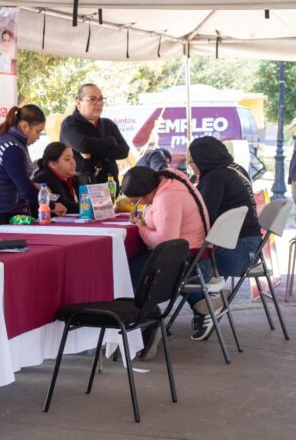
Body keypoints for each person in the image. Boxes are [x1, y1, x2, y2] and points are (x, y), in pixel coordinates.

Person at [121, 166, 213, 341]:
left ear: (148, 193)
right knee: (133, 266)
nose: (139, 205)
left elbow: (166, 242)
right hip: (197, 254)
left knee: (126, 273)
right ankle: (152, 318)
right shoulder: (170, 181)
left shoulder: (166, 197)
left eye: (137, 201)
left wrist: (142, 229)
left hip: (189, 261)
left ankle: (148, 323)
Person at [187, 137, 262, 314]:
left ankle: (205, 305)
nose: (190, 165)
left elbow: (203, 216)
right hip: (249, 249)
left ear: (203, 159)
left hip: (235, 254)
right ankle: (206, 304)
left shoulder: (215, 177)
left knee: (180, 264)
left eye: (192, 161)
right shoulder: (232, 170)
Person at [0, 104, 66, 233]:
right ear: (25, 126)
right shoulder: (11, 147)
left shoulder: (7, 141)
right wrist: (51, 206)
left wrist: (33, 185)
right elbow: (24, 188)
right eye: (37, 131)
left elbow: (11, 179)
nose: (38, 137)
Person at [60, 84, 130, 185]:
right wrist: (111, 141)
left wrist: (92, 153)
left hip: (111, 186)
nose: (98, 103)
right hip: (84, 187)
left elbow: (124, 151)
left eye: (101, 99)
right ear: (79, 103)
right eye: (92, 99)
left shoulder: (108, 124)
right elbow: (83, 145)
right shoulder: (70, 124)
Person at [32, 142, 83, 214]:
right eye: (67, 159)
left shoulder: (72, 177)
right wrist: (90, 207)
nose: (73, 162)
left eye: (73, 157)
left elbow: (85, 198)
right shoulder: (44, 178)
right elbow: (64, 206)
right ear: (53, 164)